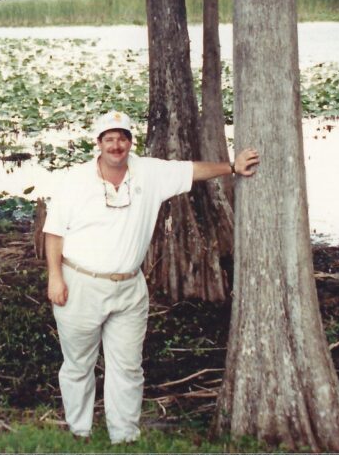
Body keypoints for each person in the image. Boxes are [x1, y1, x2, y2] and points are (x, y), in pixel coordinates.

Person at [43, 110, 259, 444]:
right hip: (80, 285)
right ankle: (80, 431)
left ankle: (124, 436)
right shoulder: (74, 181)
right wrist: (55, 278)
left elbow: (193, 170)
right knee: (78, 365)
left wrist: (232, 167)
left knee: (128, 367)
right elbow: (54, 233)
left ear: (131, 142)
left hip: (129, 288)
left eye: (123, 138)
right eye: (109, 139)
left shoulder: (149, 172)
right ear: (98, 144)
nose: (117, 145)